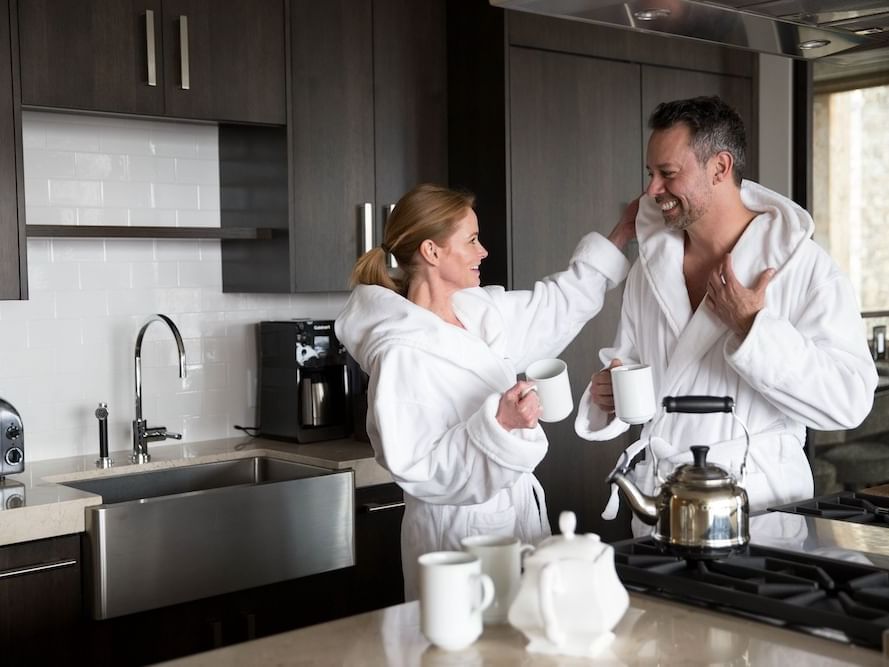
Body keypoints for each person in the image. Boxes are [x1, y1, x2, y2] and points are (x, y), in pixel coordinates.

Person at [575, 96, 878, 535]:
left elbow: (850, 401)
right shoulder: (651, 266)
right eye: (651, 174)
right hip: (666, 499)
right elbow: (633, 366)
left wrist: (754, 329)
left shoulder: (803, 267)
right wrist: (610, 394)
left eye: (668, 174)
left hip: (760, 509)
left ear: (720, 167)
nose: (652, 190)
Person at [335, 183, 635, 599]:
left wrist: (621, 233)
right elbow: (417, 466)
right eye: (472, 240)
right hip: (454, 541)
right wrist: (500, 424)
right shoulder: (401, 351)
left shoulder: (477, 313)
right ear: (432, 252)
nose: (483, 252)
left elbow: (556, 306)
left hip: (518, 520)